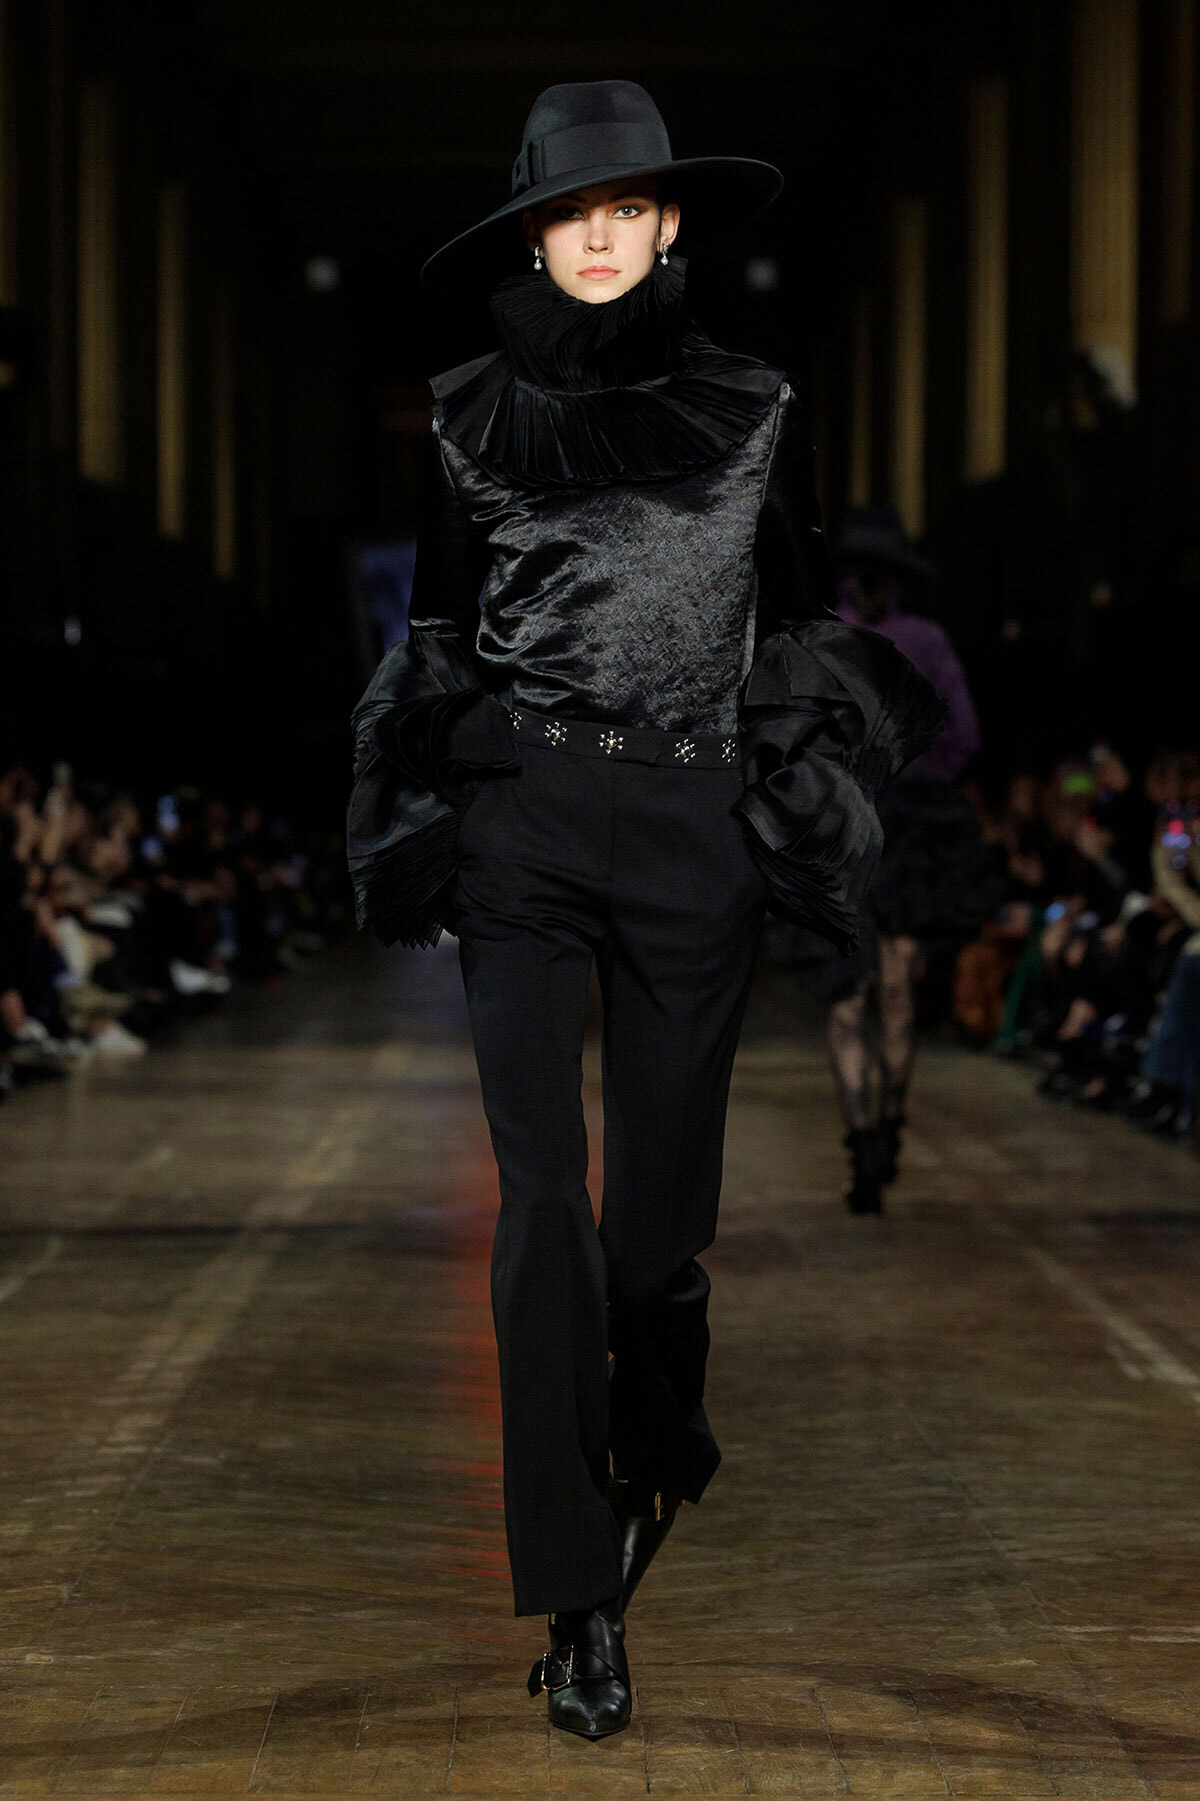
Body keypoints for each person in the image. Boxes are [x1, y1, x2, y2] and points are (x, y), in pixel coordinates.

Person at [346, 81, 941, 1739]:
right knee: (538, 1207)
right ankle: (577, 1597)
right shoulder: (467, 414)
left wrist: (800, 805)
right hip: (528, 823)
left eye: (629, 209)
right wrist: (428, 818)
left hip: (693, 827)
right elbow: (445, 645)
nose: (600, 238)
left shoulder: (757, 409)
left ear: (669, 223)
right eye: (571, 213)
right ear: (535, 229)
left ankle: (655, 1422)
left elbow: (805, 624)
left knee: (653, 1234)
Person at [824, 507, 992, 1213]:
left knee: (859, 996)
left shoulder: (824, 636)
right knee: (881, 994)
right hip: (892, 822)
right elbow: (962, 733)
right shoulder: (920, 638)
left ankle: (872, 1138)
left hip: (849, 823)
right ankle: (879, 1131)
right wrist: (917, 773)